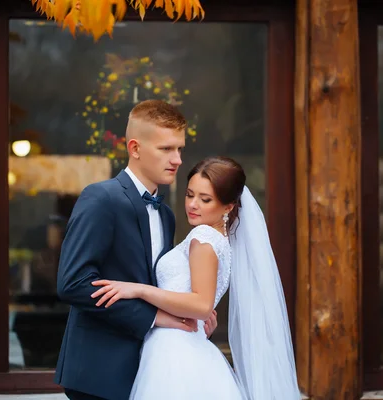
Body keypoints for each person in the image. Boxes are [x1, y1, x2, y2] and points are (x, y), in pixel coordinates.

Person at [91, 156, 301, 399]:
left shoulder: (203, 238)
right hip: (187, 342)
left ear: (229, 206)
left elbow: (201, 305)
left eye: (205, 199)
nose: (193, 204)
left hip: (175, 350)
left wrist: (138, 290)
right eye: (190, 194)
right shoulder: (219, 241)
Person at [54, 100, 218, 400]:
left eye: (179, 149)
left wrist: (190, 312)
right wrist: (154, 317)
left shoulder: (166, 214)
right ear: (135, 148)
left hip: (149, 369)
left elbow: (156, 282)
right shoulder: (101, 198)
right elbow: (72, 283)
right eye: (166, 149)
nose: (177, 159)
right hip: (98, 371)